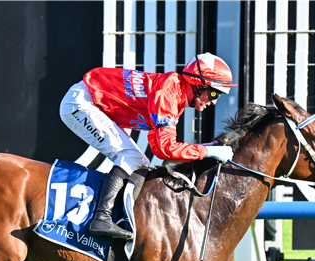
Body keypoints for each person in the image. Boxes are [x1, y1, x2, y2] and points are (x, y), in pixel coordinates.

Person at [60, 53, 237, 240]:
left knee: (140, 162)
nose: (215, 101)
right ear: (198, 84)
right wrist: (209, 151)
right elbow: (163, 149)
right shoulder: (167, 94)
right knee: (130, 157)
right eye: (214, 93)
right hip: (81, 104)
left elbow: (158, 146)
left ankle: (118, 218)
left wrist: (209, 147)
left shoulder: (173, 93)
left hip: (87, 101)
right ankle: (102, 218)